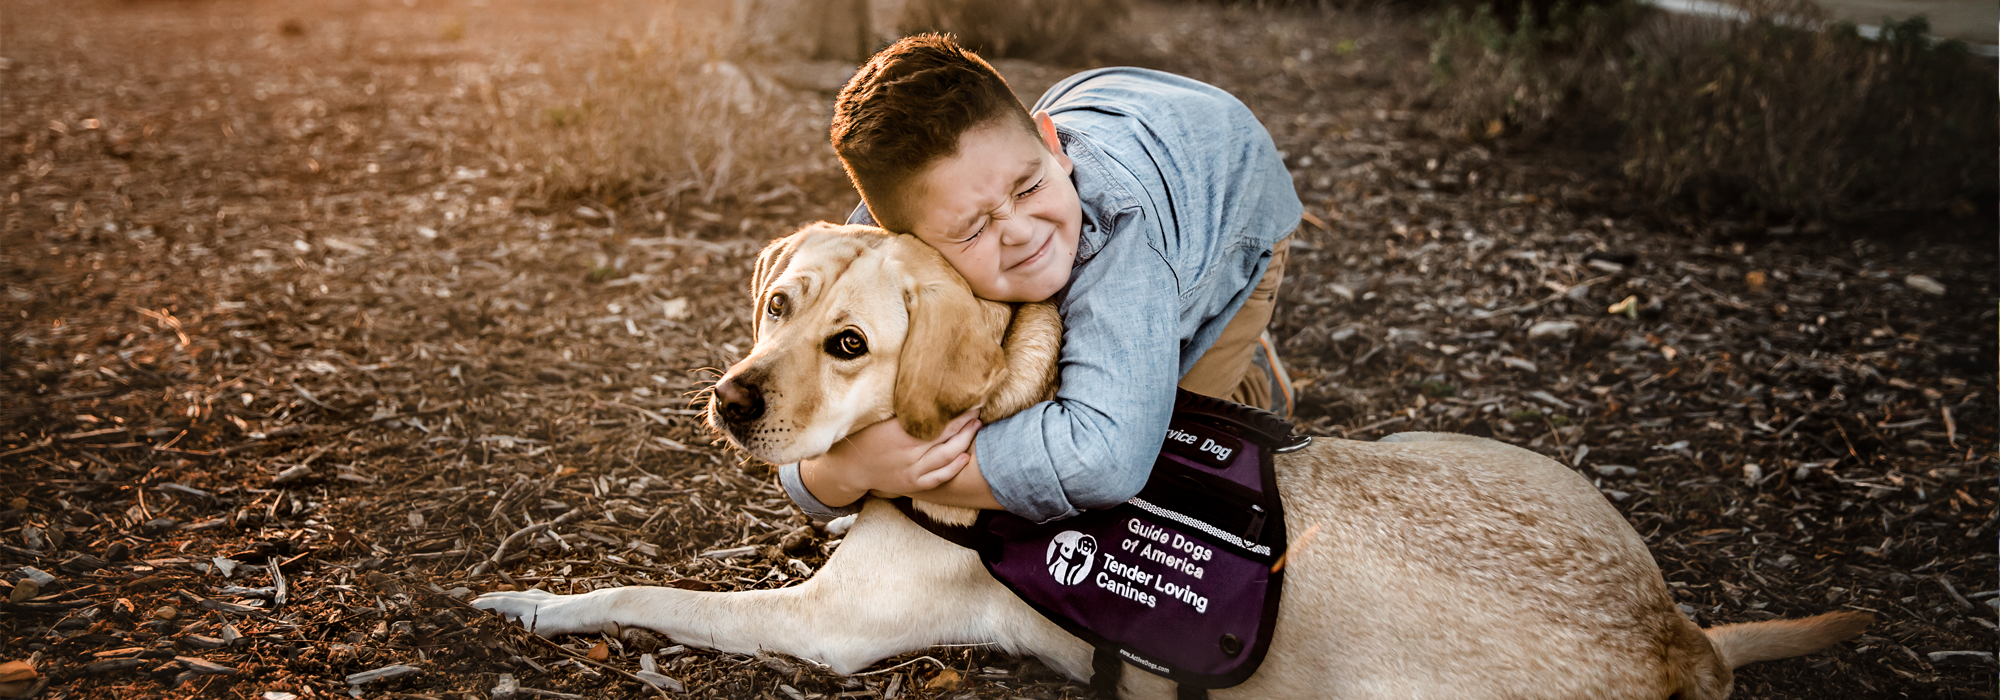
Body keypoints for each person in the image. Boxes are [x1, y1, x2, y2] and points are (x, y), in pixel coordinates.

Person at [780, 34, 1301, 523]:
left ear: (1052, 145)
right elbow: (794, 386)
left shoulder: (1127, 236)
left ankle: (1249, 367)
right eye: (972, 227)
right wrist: (845, 470)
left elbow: (1105, 460)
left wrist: (895, 473)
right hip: (1116, 102)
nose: (1021, 233)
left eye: (1028, 187)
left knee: (1163, 446)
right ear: (904, 237)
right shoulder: (885, 248)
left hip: (1229, 188)